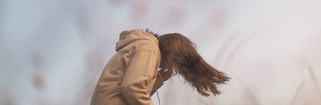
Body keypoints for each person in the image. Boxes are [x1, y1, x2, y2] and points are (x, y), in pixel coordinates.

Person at [90, 29, 230, 105]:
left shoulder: (141, 46)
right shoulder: (150, 48)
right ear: (173, 54)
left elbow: (128, 94)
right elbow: (132, 88)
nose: (171, 69)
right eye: (175, 66)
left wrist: (156, 81)